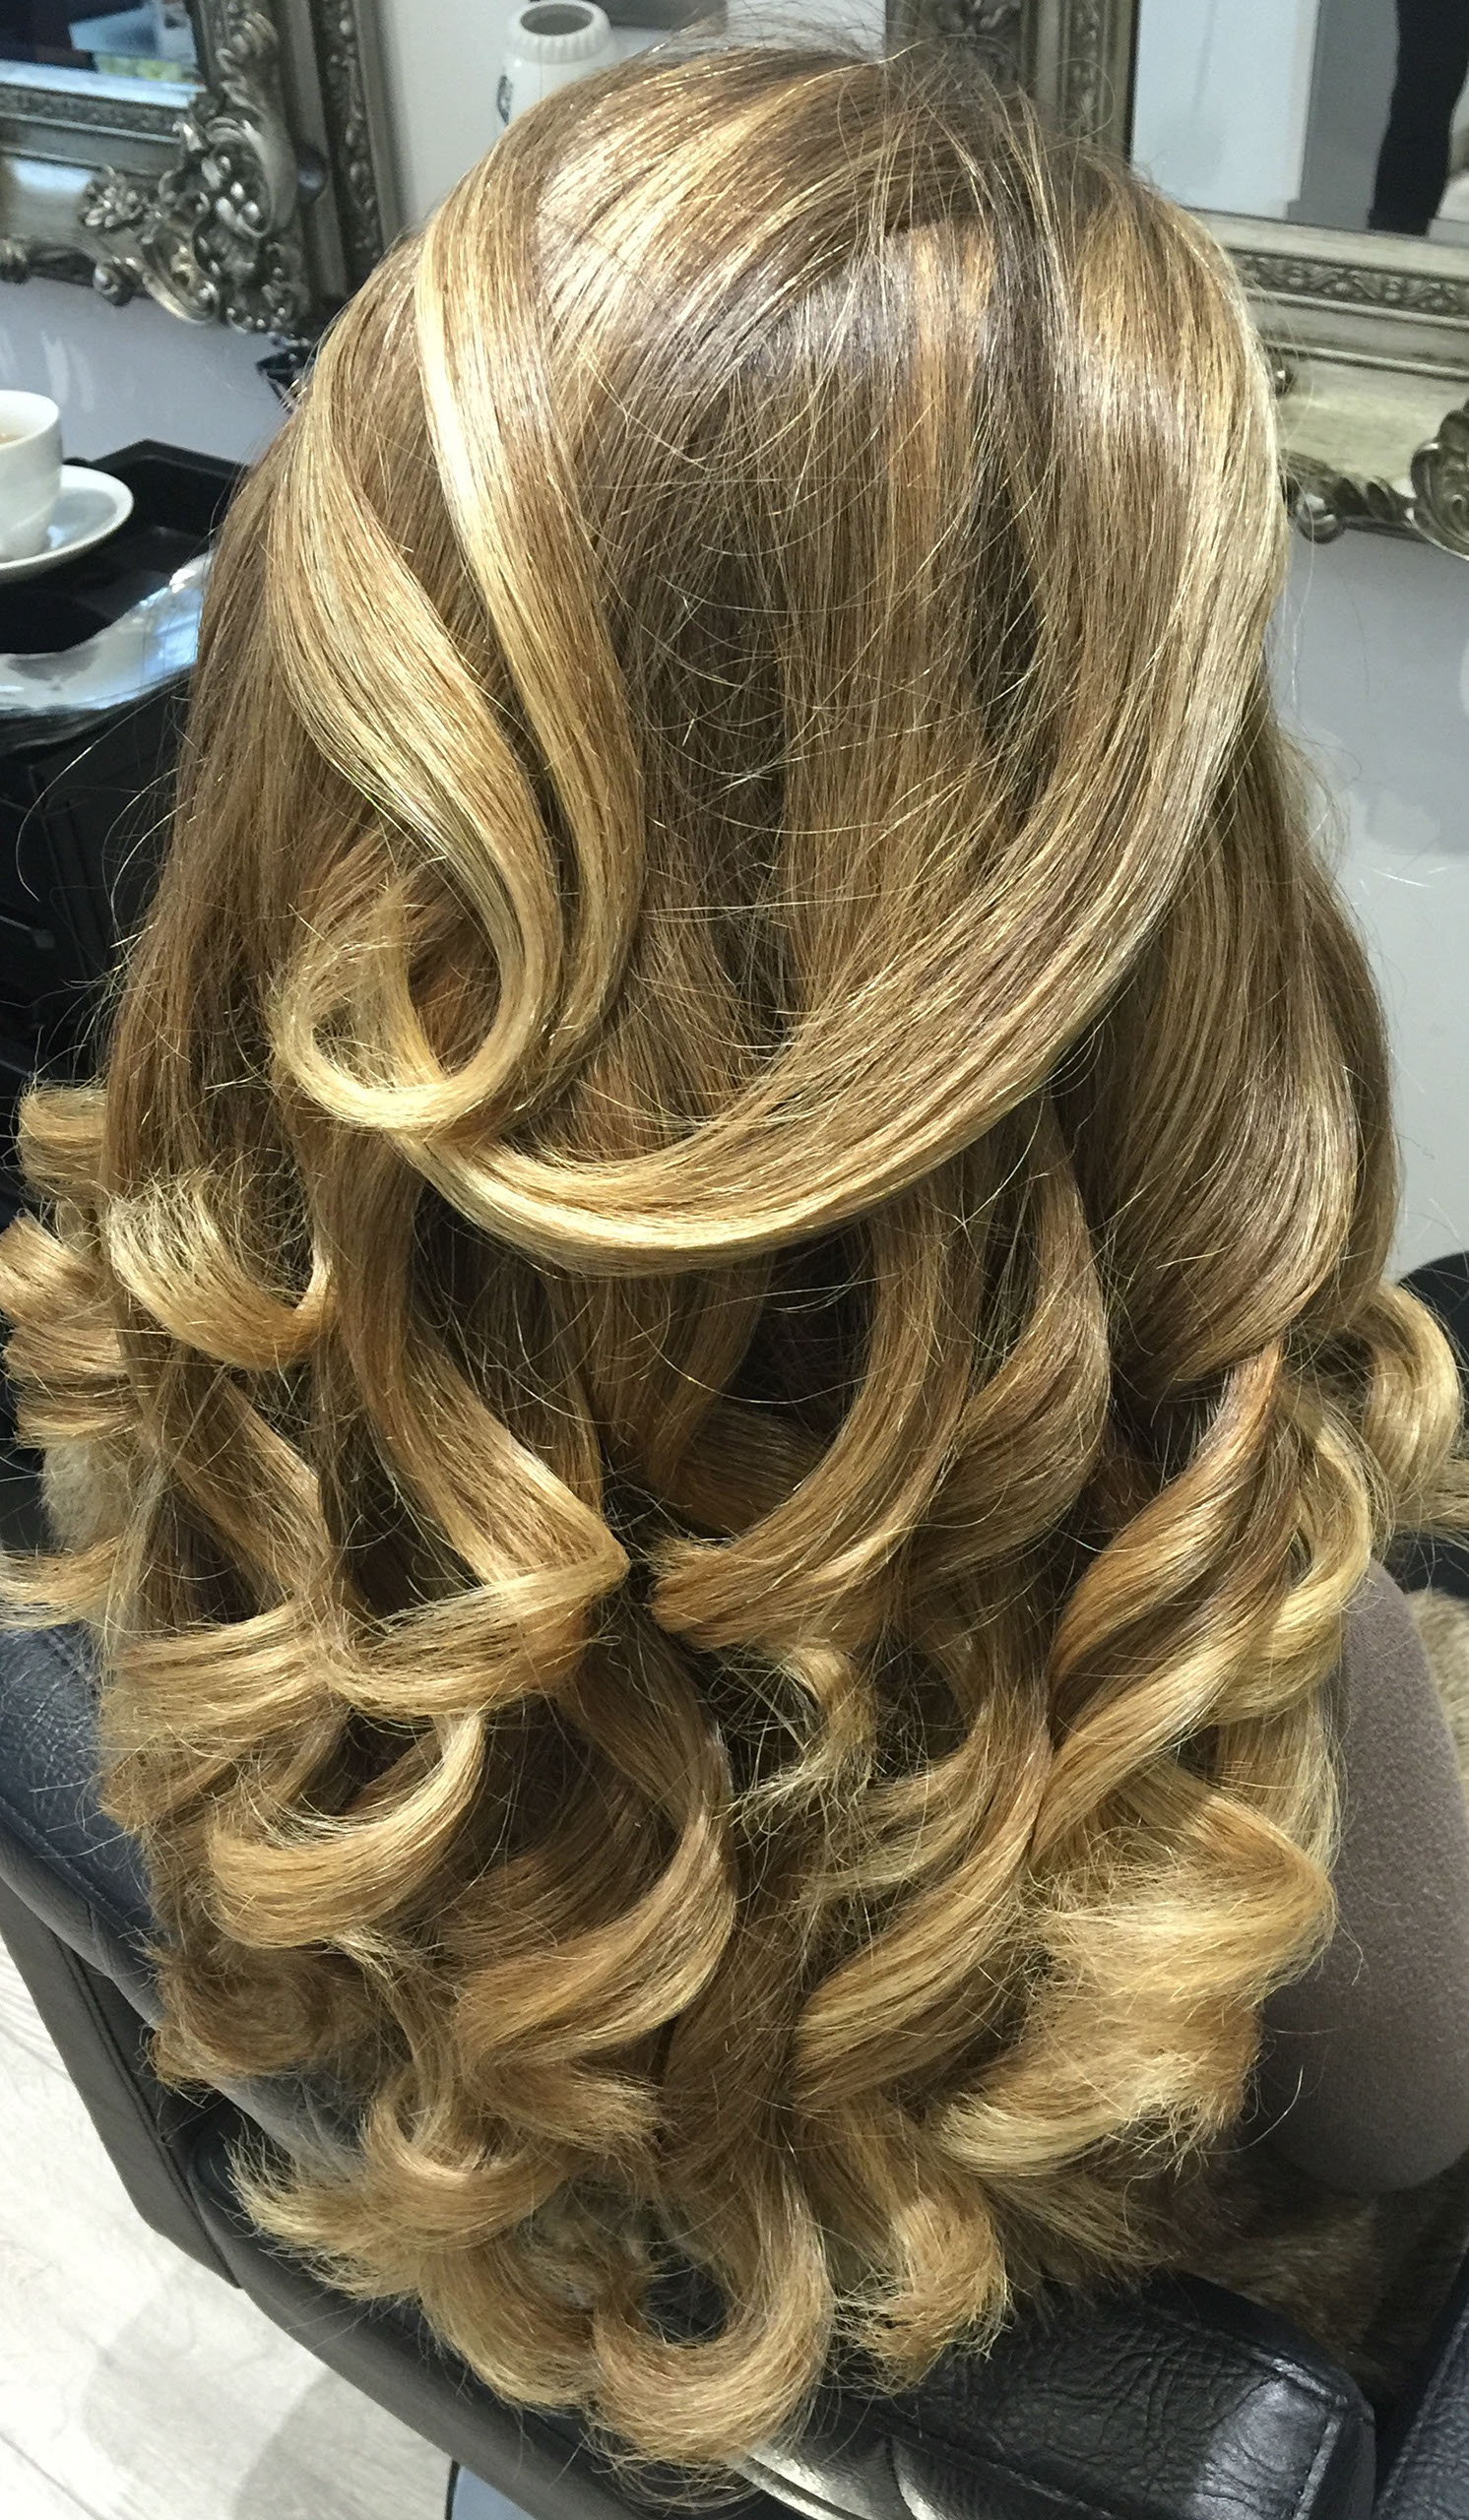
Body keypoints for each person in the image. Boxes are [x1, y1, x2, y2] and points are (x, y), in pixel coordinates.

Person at [2, 28, 1469, 2485]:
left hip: (524, 2332)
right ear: (1109, 891)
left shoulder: (196, 1354)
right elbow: (1406, 2117)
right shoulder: (1223, 1557)